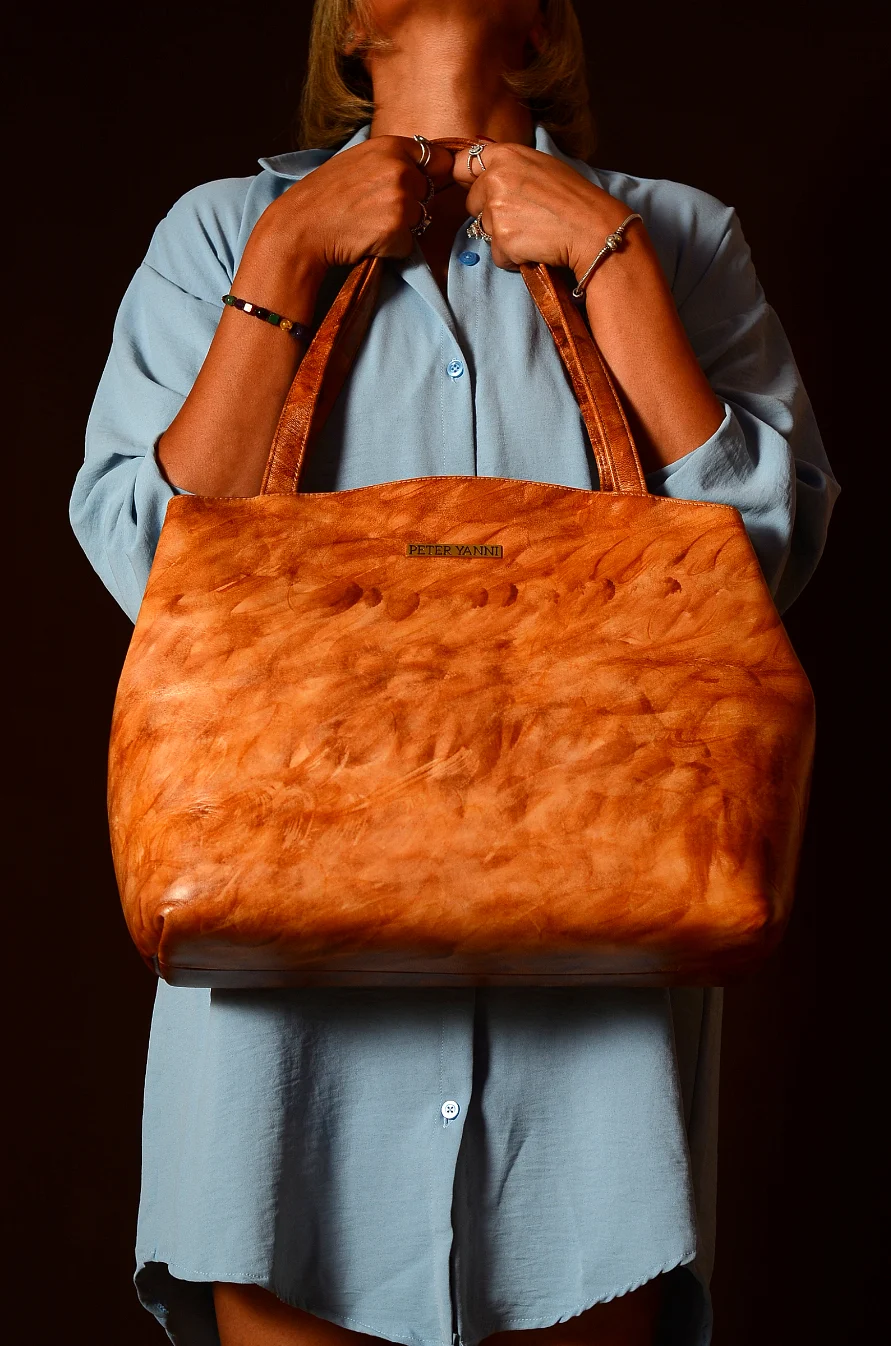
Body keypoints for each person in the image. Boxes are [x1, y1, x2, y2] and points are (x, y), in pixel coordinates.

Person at [69, 2, 839, 1343]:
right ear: (348, 23)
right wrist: (284, 259)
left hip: (593, 1052)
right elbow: (146, 562)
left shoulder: (678, 236)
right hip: (281, 1043)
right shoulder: (220, 234)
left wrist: (613, 269)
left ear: (543, 18)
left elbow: (759, 568)